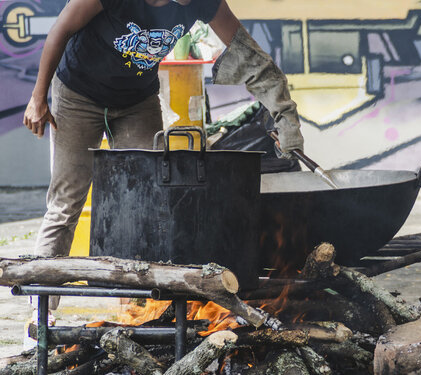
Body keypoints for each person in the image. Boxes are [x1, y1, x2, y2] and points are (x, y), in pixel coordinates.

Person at [23, 0, 304, 308]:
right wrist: (38, 97)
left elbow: (250, 57)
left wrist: (284, 114)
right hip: (78, 94)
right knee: (65, 204)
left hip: (136, 102)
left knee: (148, 202)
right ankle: (40, 314)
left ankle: (139, 310)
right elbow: (60, 30)